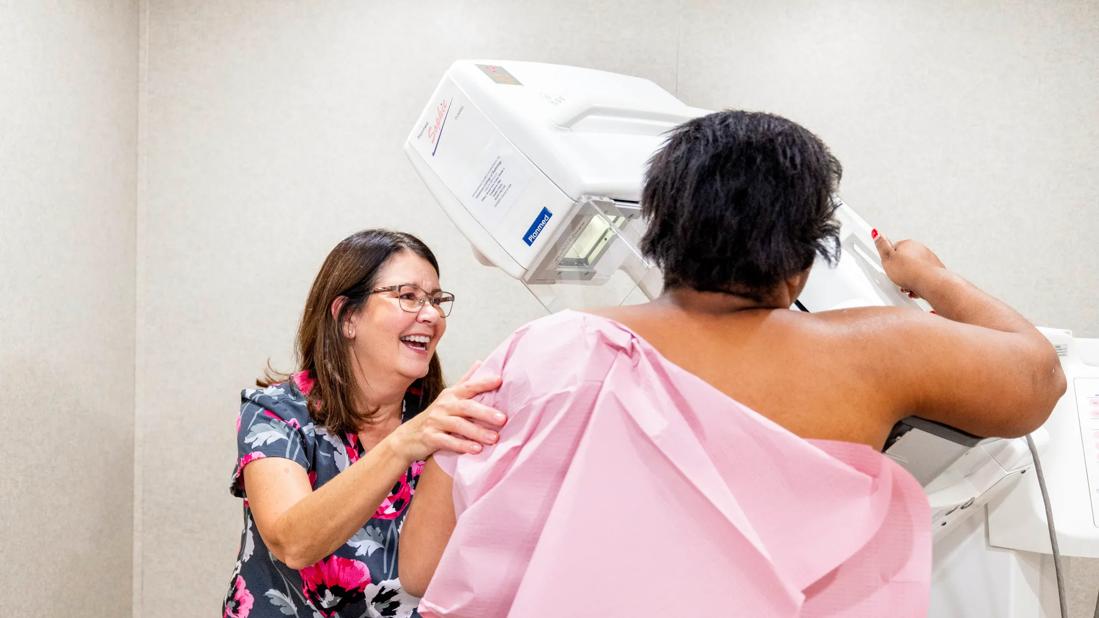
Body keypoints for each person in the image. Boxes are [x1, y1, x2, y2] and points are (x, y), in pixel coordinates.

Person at [397, 111, 1067, 616]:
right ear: (805, 258)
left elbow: (425, 568)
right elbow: (1038, 377)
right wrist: (929, 276)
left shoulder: (540, 353)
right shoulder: (875, 351)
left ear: (655, 230)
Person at [222, 229, 507, 618]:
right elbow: (293, 542)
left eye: (437, 300)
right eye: (408, 296)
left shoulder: (444, 423)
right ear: (347, 317)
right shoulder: (277, 412)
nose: (431, 314)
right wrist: (405, 443)